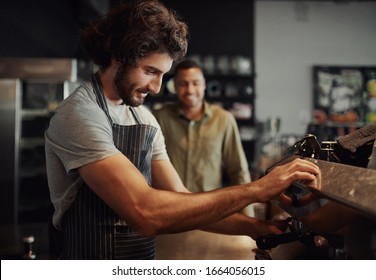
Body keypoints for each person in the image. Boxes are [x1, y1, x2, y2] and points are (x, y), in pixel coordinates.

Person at [44, 0, 320, 260]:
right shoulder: (80, 115)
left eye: (163, 74)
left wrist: (254, 226)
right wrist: (257, 190)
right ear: (119, 55)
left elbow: (182, 198)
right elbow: (145, 212)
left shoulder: (143, 119)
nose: (157, 87)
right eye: (151, 71)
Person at [153, 59, 250, 192]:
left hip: (208, 207)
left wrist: (246, 212)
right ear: (175, 86)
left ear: (204, 84)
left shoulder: (223, 119)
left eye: (195, 83)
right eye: (183, 84)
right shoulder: (159, 117)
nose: (190, 90)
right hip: (168, 205)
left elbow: (239, 171)